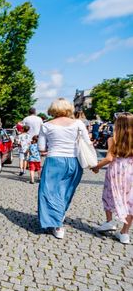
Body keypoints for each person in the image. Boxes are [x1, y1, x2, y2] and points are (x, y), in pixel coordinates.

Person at [37, 98, 91, 239]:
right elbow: (88, 142)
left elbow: (41, 148)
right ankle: (59, 219)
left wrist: (47, 150)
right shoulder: (78, 123)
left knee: (48, 192)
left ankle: (56, 224)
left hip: (54, 161)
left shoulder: (46, 125)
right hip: (74, 161)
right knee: (66, 192)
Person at [92, 113, 133, 244]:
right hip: (131, 171)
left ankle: (109, 222)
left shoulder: (113, 139)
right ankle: (124, 233)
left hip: (116, 171)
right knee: (130, 201)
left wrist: (97, 167)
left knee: (109, 195)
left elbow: (109, 158)